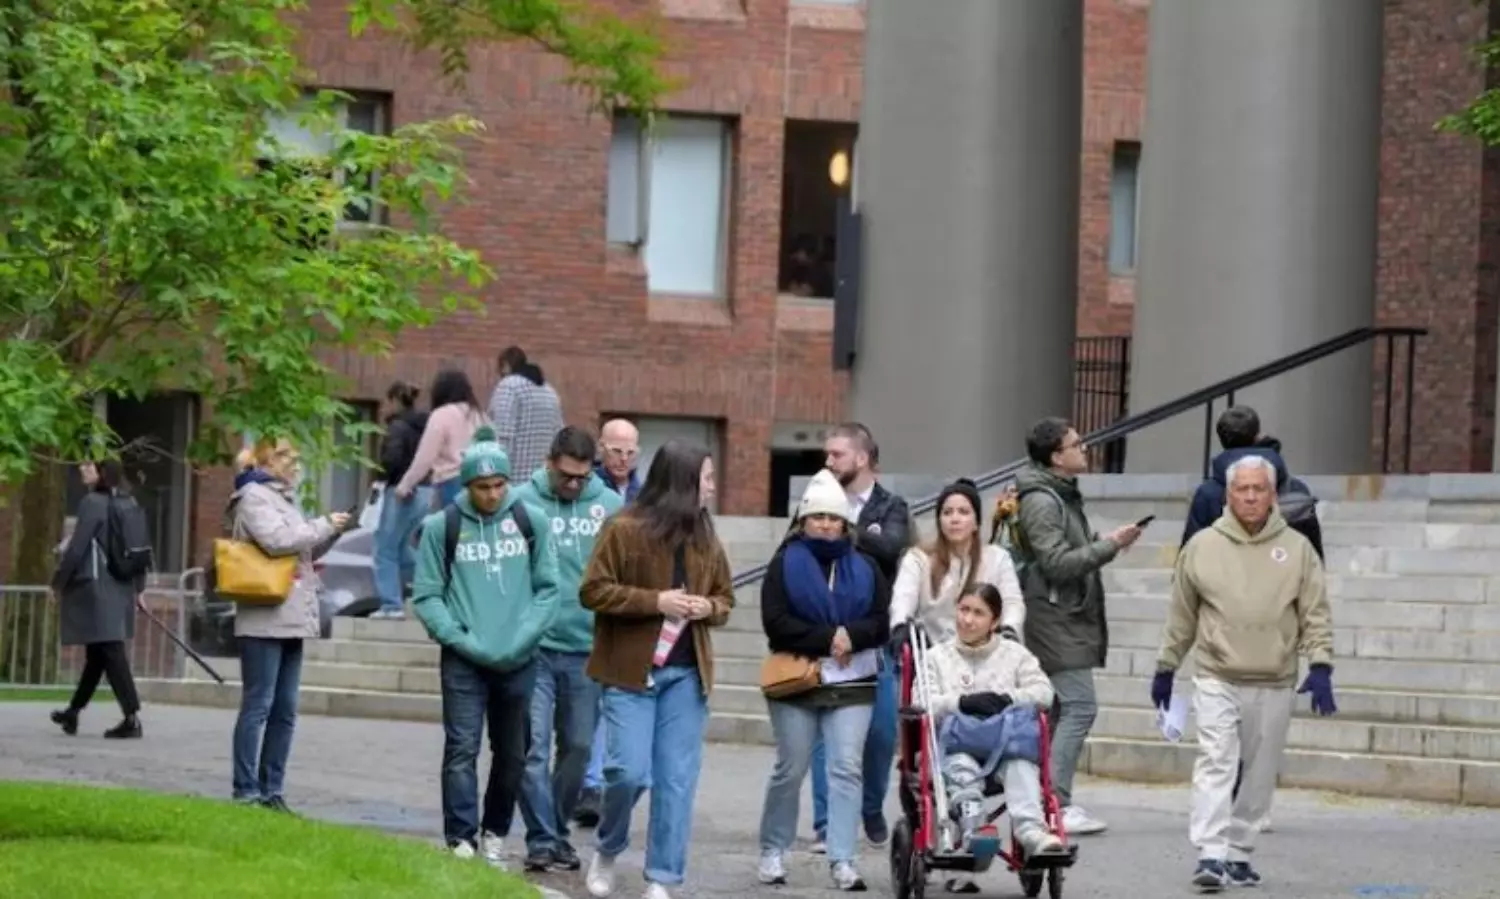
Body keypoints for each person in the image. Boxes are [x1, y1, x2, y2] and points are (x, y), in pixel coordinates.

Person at [1153, 454, 1335, 892]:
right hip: (1218, 673)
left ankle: (1239, 852)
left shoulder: (1297, 549)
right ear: (1228, 494)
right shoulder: (1201, 546)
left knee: (1258, 769)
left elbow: (1315, 612)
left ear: (1272, 495)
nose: (1250, 497)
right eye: (1242, 489)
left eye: (1259, 489)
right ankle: (1211, 852)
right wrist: (1167, 665)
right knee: (1216, 761)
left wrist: (1322, 663)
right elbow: (1182, 613)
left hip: (1273, 677)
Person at [580, 439, 734, 899]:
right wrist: (657, 602)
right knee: (626, 773)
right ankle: (607, 847)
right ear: (684, 482)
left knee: (676, 782)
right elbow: (593, 591)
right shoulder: (622, 528)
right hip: (630, 672)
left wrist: (707, 606)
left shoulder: (706, 534)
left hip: (687, 676)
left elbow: (725, 599)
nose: (711, 486)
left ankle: (662, 879)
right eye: (706, 478)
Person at [410, 426, 560, 866]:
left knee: (513, 751)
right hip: (464, 658)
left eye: (500, 485)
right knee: (461, 747)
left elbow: (548, 589)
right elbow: (427, 595)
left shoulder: (530, 520)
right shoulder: (443, 526)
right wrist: (460, 639)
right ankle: (460, 839)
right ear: (466, 485)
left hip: (519, 656)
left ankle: (494, 832)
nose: (493, 494)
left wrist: (521, 638)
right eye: (482, 487)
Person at [756, 470, 891, 892]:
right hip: (797, 679)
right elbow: (774, 623)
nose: (827, 526)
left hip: (852, 681)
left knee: (847, 768)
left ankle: (843, 858)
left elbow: (882, 620)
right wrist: (828, 637)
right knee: (791, 767)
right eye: (819, 518)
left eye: (835, 519)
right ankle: (773, 850)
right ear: (803, 521)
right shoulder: (784, 562)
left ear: (846, 524)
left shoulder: (867, 566)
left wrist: (852, 635)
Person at [1014, 417, 1140, 837]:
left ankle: (1040, 800)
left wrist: (1103, 542)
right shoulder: (1044, 500)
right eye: (1076, 444)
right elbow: (1055, 564)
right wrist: (1110, 546)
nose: (1084, 449)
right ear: (1055, 456)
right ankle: (1057, 803)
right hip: (1052, 617)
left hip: (1061, 614)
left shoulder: (1060, 495)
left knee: (1057, 710)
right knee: (1080, 705)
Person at [514, 427, 625, 872]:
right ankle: (542, 838)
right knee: (532, 748)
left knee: (578, 747)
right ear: (549, 462)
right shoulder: (521, 500)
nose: (574, 484)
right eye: (566, 476)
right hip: (534, 646)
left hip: (587, 646)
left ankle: (554, 830)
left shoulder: (610, 506)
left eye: (582, 476)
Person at [228, 439, 352, 811]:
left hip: (292, 615)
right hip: (264, 616)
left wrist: (331, 531)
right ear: (270, 460)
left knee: (285, 709)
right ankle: (246, 791)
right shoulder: (252, 497)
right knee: (259, 706)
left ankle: (272, 791)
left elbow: (302, 549)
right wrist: (322, 524)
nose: (297, 467)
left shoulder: (282, 498)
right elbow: (278, 541)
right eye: (291, 460)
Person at [808, 422, 912, 850]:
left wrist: (842, 527)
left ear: (862, 458)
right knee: (824, 734)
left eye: (836, 454)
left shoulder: (891, 505)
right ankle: (826, 822)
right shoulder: (815, 498)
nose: (828, 462)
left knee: (882, 733)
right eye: (827, 454)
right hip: (824, 633)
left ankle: (869, 808)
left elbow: (890, 547)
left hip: (876, 637)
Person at [924, 584, 1064, 894]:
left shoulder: (1015, 655)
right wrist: (959, 702)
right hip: (955, 746)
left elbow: (1044, 693)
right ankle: (974, 832)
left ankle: (1032, 832)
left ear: (995, 621)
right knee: (961, 767)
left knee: (1022, 766)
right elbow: (920, 701)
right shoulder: (936, 657)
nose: (968, 620)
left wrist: (1007, 697)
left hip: (1005, 747)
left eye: (978, 613)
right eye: (964, 610)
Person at [577, 416, 644, 827]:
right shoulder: (588, 489)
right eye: (615, 450)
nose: (622, 458)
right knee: (586, 710)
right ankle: (583, 780)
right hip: (590, 607)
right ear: (601, 448)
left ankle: (593, 784)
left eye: (630, 452)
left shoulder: (643, 495)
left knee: (610, 704)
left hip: (626, 610)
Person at [49, 460, 145, 740]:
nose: (82, 471)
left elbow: (78, 547)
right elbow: (140, 549)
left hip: (99, 587)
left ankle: (131, 717)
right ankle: (73, 711)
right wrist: (139, 588)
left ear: (102, 475)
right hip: (122, 585)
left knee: (111, 651)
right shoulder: (129, 502)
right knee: (98, 653)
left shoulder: (92, 503)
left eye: (89, 468)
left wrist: (58, 583)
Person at [889, 477, 1025, 647]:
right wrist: (899, 625)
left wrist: (1010, 628)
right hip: (934, 656)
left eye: (963, 512)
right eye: (947, 512)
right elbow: (903, 597)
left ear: (976, 522)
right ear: (939, 521)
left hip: (988, 652)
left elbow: (1012, 602)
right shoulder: (918, 558)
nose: (954, 519)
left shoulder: (998, 558)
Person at [1181, 405, 1324, 559]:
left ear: (1222, 440)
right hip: (1283, 574)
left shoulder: (1208, 493)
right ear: (1257, 435)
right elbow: (1313, 555)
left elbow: (1190, 554)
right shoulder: (1296, 489)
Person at [373, 380, 430, 619]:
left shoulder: (397, 427)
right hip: (425, 491)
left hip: (401, 491)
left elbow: (392, 460)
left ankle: (391, 605)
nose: (384, 408)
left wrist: (380, 477)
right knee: (403, 548)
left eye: (387, 401)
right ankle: (434, 584)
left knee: (384, 548)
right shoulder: (423, 426)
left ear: (396, 400)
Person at [395, 368, 488, 509]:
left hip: (450, 484)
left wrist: (405, 486)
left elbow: (425, 458)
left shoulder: (441, 415)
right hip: (480, 481)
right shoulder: (480, 416)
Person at [488, 345, 565, 481]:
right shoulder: (550, 392)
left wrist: (494, 476)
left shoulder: (509, 387)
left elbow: (502, 437)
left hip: (513, 483)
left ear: (505, 365)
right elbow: (559, 438)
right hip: (542, 484)